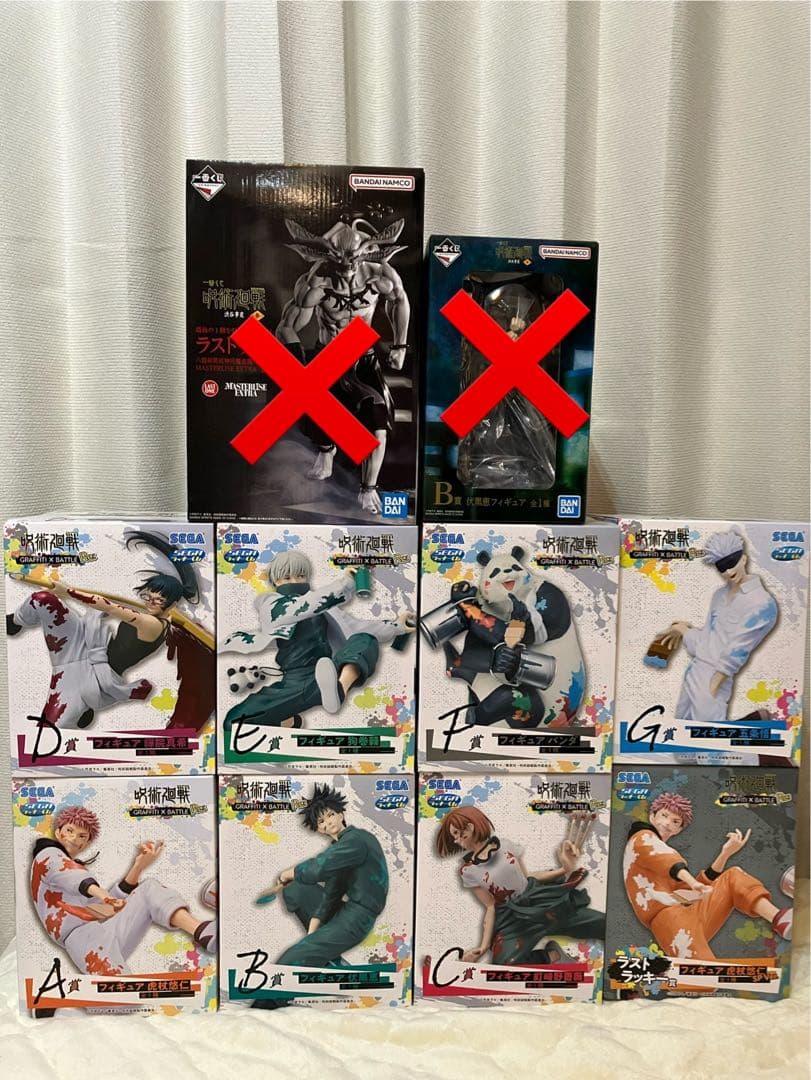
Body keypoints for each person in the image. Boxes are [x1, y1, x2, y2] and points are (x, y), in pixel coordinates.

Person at [7, 530, 214, 731]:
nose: (150, 602)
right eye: (147, 596)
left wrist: (67, 592)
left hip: (95, 676)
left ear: (171, 604)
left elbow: (108, 607)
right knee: (43, 600)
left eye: (158, 600)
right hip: (83, 646)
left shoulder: (153, 625)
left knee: (48, 731)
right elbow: (112, 606)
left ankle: (81, 706)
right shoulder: (148, 614)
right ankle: (16, 621)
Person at [276, 215, 411, 515]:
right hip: (328, 358)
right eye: (339, 260)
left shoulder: (379, 274)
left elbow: (400, 300)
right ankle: (326, 451)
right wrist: (296, 366)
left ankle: (368, 488)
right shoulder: (315, 282)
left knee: (378, 424)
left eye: (354, 259)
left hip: (363, 359)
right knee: (310, 414)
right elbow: (286, 327)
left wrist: (400, 345)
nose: (348, 266)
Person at [222, 550, 415, 731]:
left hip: (330, 672)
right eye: (287, 578)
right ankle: (289, 721)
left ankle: (339, 689)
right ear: (275, 581)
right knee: (234, 722)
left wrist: (397, 625)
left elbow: (358, 627)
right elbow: (300, 607)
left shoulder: (325, 607)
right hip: (295, 681)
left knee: (364, 639)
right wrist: (345, 584)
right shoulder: (271, 606)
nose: (295, 581)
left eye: (300, 576)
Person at [30, 806, 217, 982]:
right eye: (69, 831)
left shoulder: (70, 870)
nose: (74, 838)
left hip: (100, 929)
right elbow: (78, 880)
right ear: (58, 832)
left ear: (85, 843)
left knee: (148, 888)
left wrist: (138, 866)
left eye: (82, 836)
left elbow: (99, 906)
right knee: (122, 995)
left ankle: (202, 931)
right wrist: (106, 897)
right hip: (82, 940)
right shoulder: (47, 854)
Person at [251, 784, 388, 1009]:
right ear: (319, 829)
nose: (328, 823)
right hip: (348, 910)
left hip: (359, 916)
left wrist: (289, 872)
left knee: (292, 958)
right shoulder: (340, 847)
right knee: (295, 888)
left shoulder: (356, 840)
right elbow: (331, 894)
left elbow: (320, 867)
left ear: (341, 814)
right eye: (321, 821)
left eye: (331, 815)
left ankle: (264, 1009)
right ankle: (324, 956)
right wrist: (312, 932)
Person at [622, 791, 792, 959]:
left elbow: (691, 889)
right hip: (668, 920)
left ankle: (780, 919)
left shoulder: (663, 856)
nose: (667, 823)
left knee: (733, 876)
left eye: (675, 821)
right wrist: (693, 883)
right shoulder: (641, 836)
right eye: (664, 815)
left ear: (678, 829)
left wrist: (725, 854)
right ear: (652, 816)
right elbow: (668, 861)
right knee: (703, 972)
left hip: (687, 912)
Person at [435, 805, 604, 964]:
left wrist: (564, 869)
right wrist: (483, 947)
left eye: (456, 833)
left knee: (602, 923)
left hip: (541, 902)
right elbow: (490, 906)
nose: (455, 840)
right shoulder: (468, 870)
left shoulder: (504, 845)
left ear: (470, 827)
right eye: (453, 836)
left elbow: (527, 877)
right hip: (514, 919)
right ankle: (553, 956)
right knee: (504, 965)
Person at [653, 528, 778, 722]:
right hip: (695, 671)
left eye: (732, 563)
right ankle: (755, 721)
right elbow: (708, 640)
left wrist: (713, 687)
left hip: (716, 677)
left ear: (743, 559)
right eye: (722, 567)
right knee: (682, 732)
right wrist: (684, 630)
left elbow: (739, 648)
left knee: (707, 734)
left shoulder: (762, 603)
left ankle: (756, 725)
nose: (728, 571)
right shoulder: (719, 595)